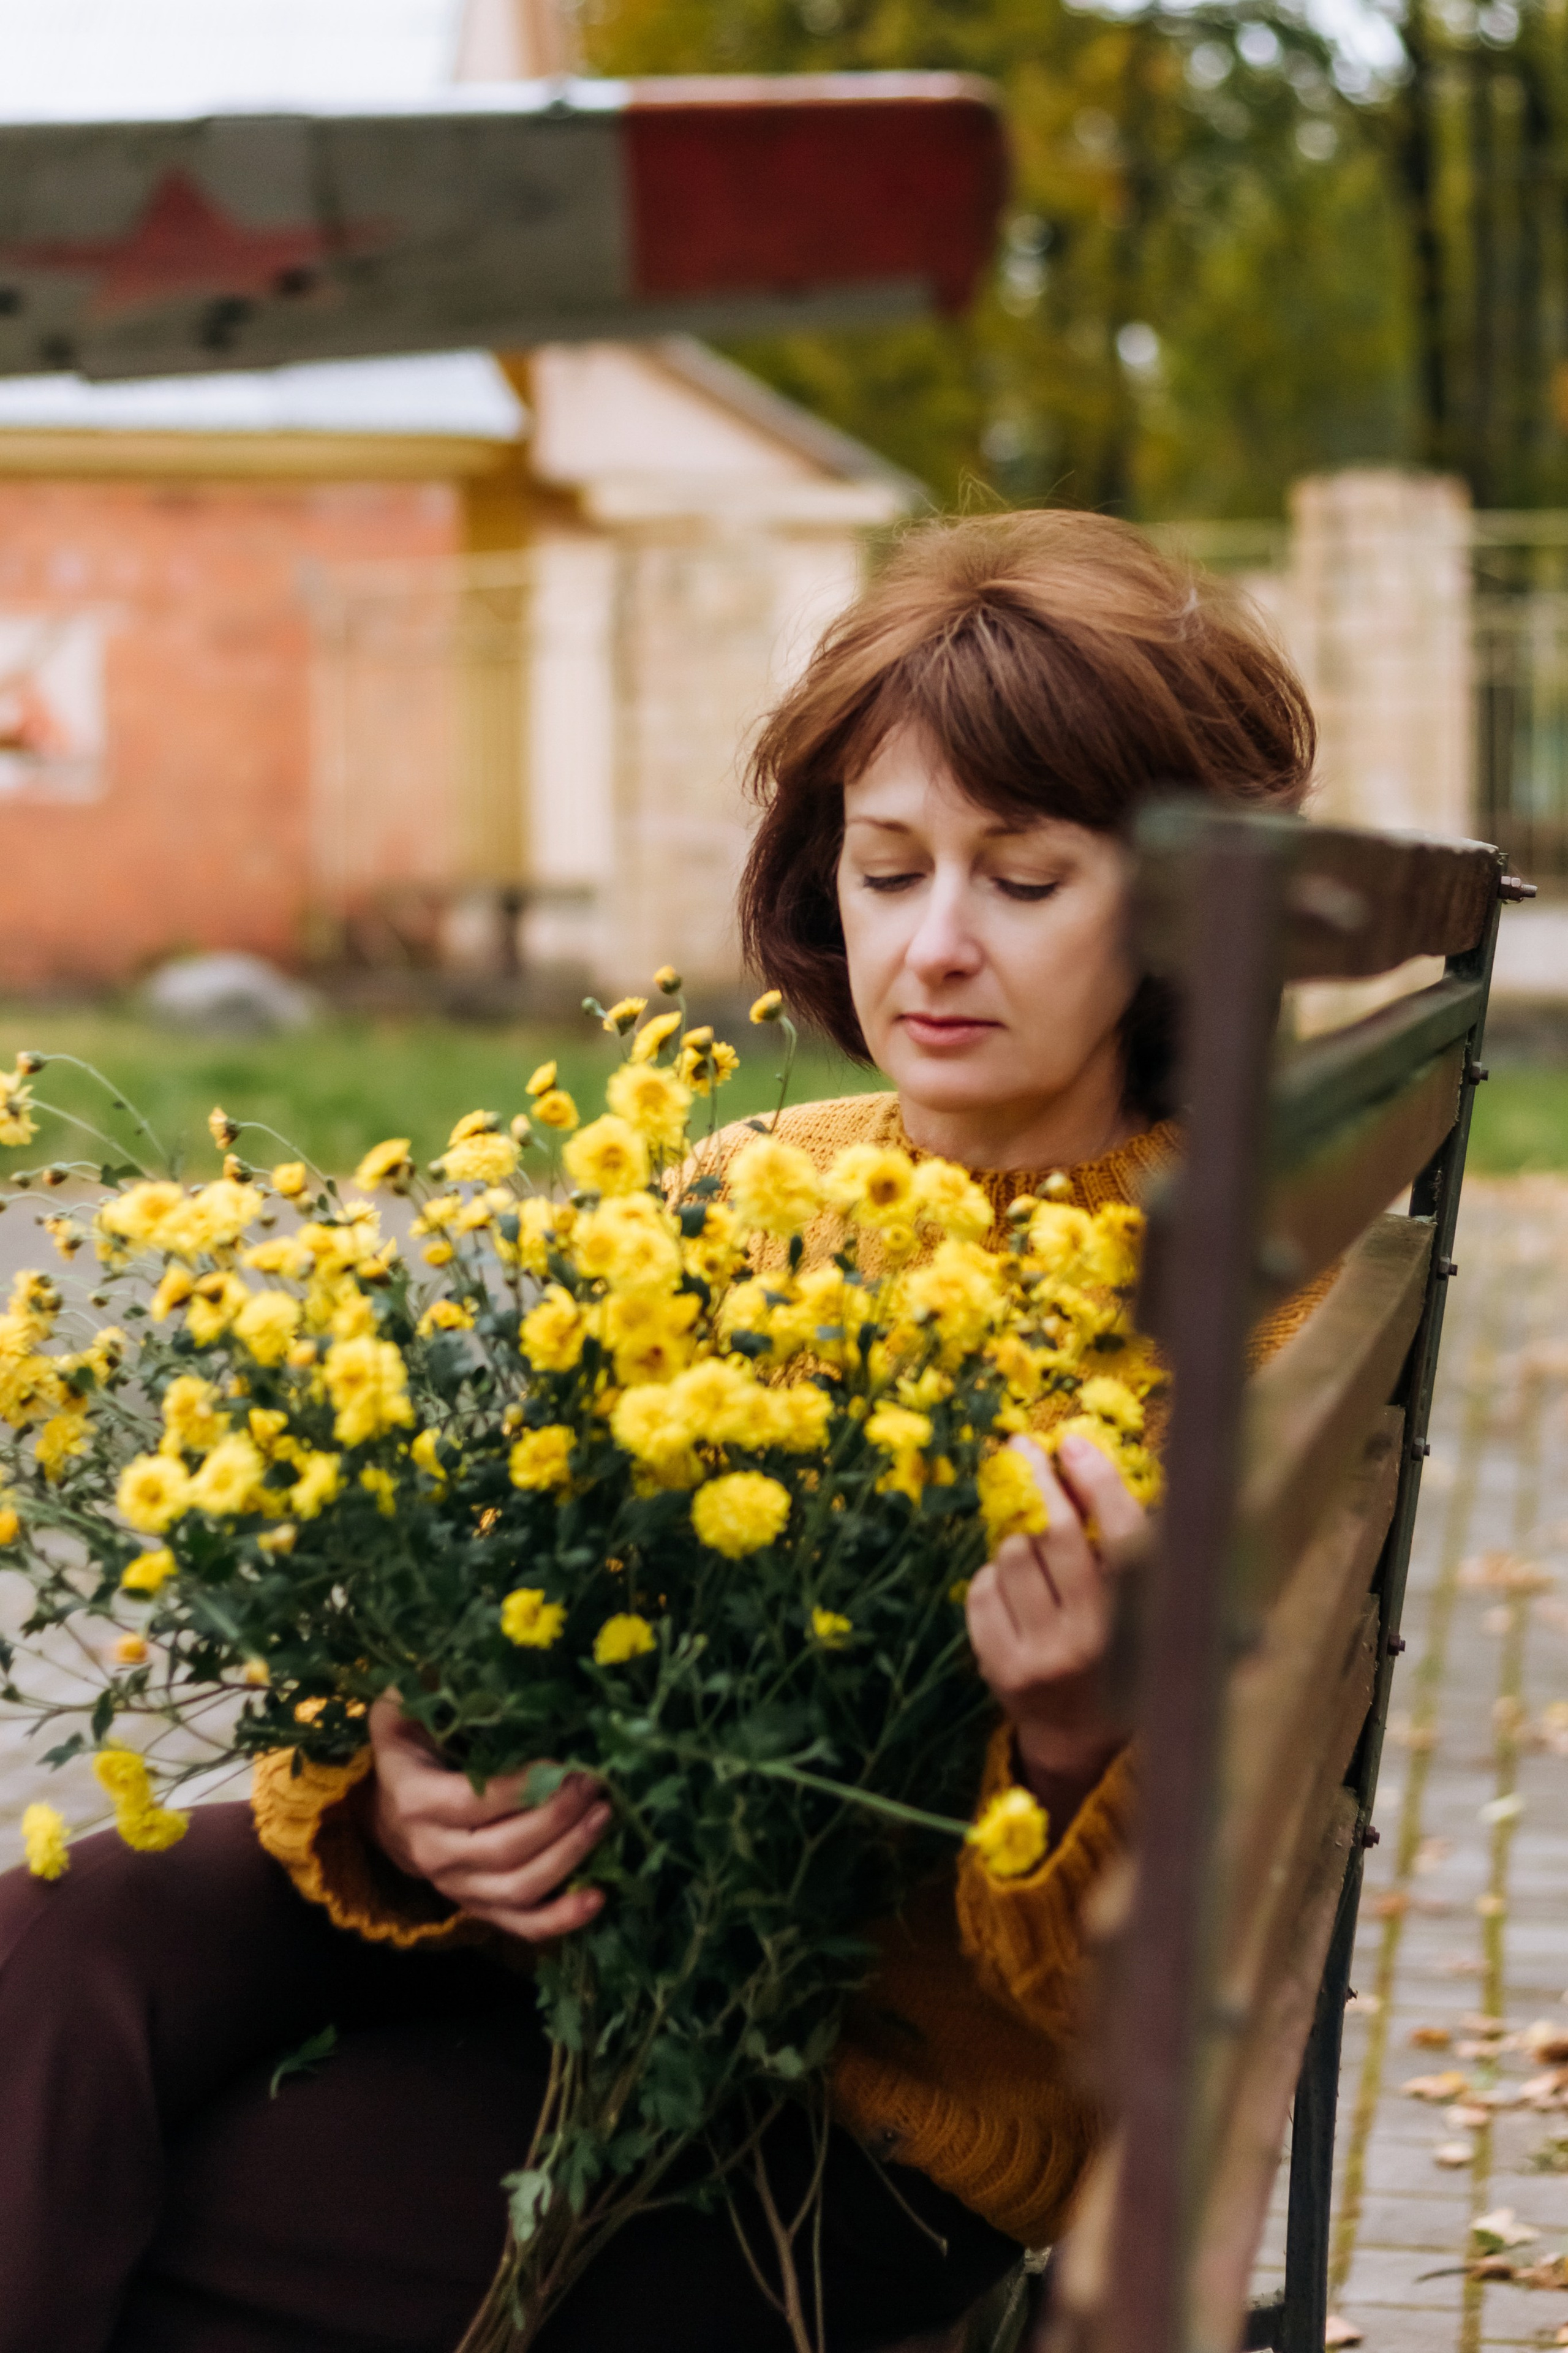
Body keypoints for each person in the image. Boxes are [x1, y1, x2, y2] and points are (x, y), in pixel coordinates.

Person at [0, 509, 1322, 2353]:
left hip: (850, 2100)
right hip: (573, 1928)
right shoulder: (741, 1181)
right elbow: (509, 1613)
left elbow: (1119, 2007)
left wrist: (1067, 1743)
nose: (934, 946)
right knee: (56, 1947)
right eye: (886, 869)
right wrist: (404, 1793)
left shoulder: (1215, 1317)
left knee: (182, 2208)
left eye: (1024, 881)